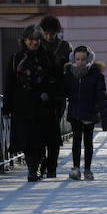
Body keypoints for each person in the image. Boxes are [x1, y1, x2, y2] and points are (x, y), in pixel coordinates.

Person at [2, 25, 61, 182]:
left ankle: (45, 167)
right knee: (29, 140)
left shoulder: (48, 57)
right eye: (31, 39)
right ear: (25, 40)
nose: (34, 42)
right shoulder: (16, 58)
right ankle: (32, 170)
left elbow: (56, 79)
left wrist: (49, 94)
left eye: (37, 39)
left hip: (44, 105)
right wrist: (7, 107)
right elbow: (9, 83)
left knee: (45, 139)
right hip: (23, 105)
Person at [63, 45, 107, 181]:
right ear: (73, 59)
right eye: (77, 59)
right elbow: (62, 93)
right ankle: (76, 168)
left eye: (83, 59)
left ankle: (88, 169)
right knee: (76, 141)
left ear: (89, 59)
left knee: (88, 142)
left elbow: (102, 97)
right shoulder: (69, 75)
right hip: (75, 113)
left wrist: (105, 119)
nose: (80, 62)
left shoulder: (96, 76)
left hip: (90, 113)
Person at [37, 15, 72, 178]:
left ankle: (51, 166)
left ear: (56, 32)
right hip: (40, 95)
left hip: (58, 95)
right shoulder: (37, 46)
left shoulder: (65, 47)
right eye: (46, 33)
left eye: (51, 33)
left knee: (54, 131)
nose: (49, 36)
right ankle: (43, 161)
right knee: (40, 130)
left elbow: (70, 71)